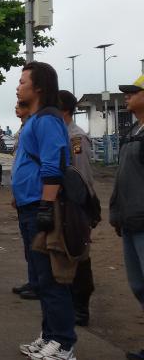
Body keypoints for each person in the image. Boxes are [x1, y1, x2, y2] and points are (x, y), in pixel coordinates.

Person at [14, 62, 76, 360]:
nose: (18, 87)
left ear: (38, 87)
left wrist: (46, 207)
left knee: (52, 277)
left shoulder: (48, 119)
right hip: (29, 206)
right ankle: (50, 334)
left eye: (22, 81)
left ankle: (63, 343)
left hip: (41, 207)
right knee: (40, 277)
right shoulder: (36, 119)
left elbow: (53, 167)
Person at [111, 75, 144, 360]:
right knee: (138, 285)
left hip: (143, 220)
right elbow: (122, 177)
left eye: (133, 92)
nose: (127, 96)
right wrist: (116, 212)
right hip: (129, 220)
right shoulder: (133, 130)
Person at [57, 90, 96, 326]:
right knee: (63, 253)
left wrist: (83, 210)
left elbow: (82, 177)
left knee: (79, 254)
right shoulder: (60, 135)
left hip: (75, 205)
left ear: (63, 110)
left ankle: (81, 307)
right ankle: (70, 302)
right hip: (62, 203)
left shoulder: (76, 138)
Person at [11, 101, 39, 301]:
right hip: (23, 195)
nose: (16, 108)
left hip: (34, 195)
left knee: (37, 246)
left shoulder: (37, 127)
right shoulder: (23, 129)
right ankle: (33, 281)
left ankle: (39, 284)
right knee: (29, 244)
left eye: (20, 105)